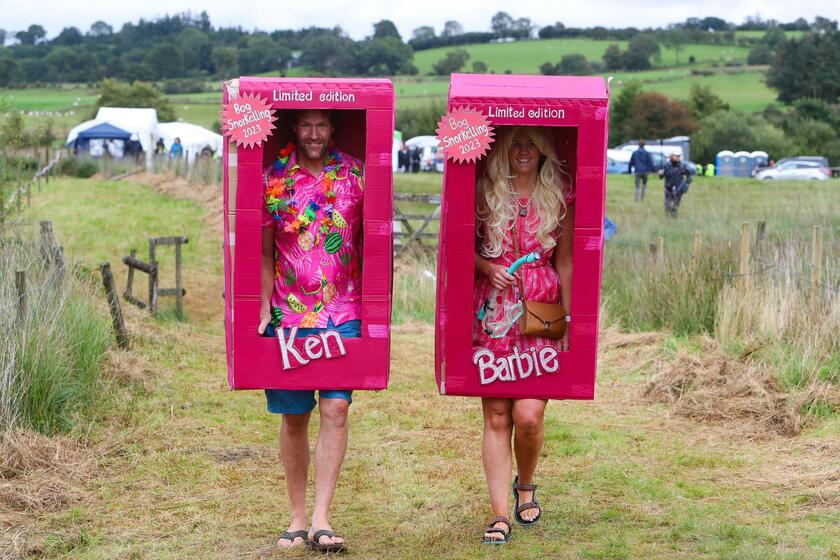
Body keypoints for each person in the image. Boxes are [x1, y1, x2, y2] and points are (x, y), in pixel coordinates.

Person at [258, 109, 364, 553]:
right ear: (294, 130)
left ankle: (322, 516)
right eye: (306, 126)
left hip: (344, 309)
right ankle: (297, 517)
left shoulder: (356, 176)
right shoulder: (270, 182)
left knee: (336, 408)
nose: (314, 134)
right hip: (288, 314)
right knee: (295, 415)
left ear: (333, 130)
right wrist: (262, 304)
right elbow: (263, 254)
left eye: (322, 126)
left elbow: (375, 239)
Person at [472, 126, 574, 544]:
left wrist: (569, 316)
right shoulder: (483, 190)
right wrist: (486, 267)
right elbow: (459, 245)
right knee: (497, 415)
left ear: (543, 149)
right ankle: (499, 515)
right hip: (494, 311)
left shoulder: (560, 194)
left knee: (528, 415)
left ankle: (526, 482)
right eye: (515, 143)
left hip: (541, 308)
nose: (523, 150)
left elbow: (565, 262)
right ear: (502, 151)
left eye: (531, 142)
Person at [659, 153, 691, 218]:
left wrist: (686, 184)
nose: (678, 158)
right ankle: (668, 217)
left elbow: (689, 175)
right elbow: (661, 177)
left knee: (675, 206)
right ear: (671, 157)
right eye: (676, 156)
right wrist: (661, 174)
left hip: (678, 189)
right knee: (667, 206)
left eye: (679, 156)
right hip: (668, 188)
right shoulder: (666, 166)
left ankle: (674, 217)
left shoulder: (682, 166)